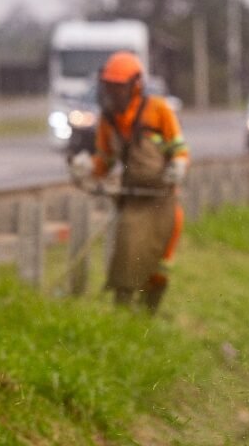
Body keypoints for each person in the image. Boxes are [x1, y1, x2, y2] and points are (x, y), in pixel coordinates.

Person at [69, 51, 189, 314]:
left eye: (117, 87)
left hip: (162, 199)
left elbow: (179, 147)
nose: (112, 93)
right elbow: (105, 160)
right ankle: (122, 310)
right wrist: (87, 167)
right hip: (133, 198)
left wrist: (178, 166)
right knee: (127, 250)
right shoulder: (109, 120)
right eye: (108, 87)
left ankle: (149, 313)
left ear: (134, 86)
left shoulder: (158, 110)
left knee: (160, 261)